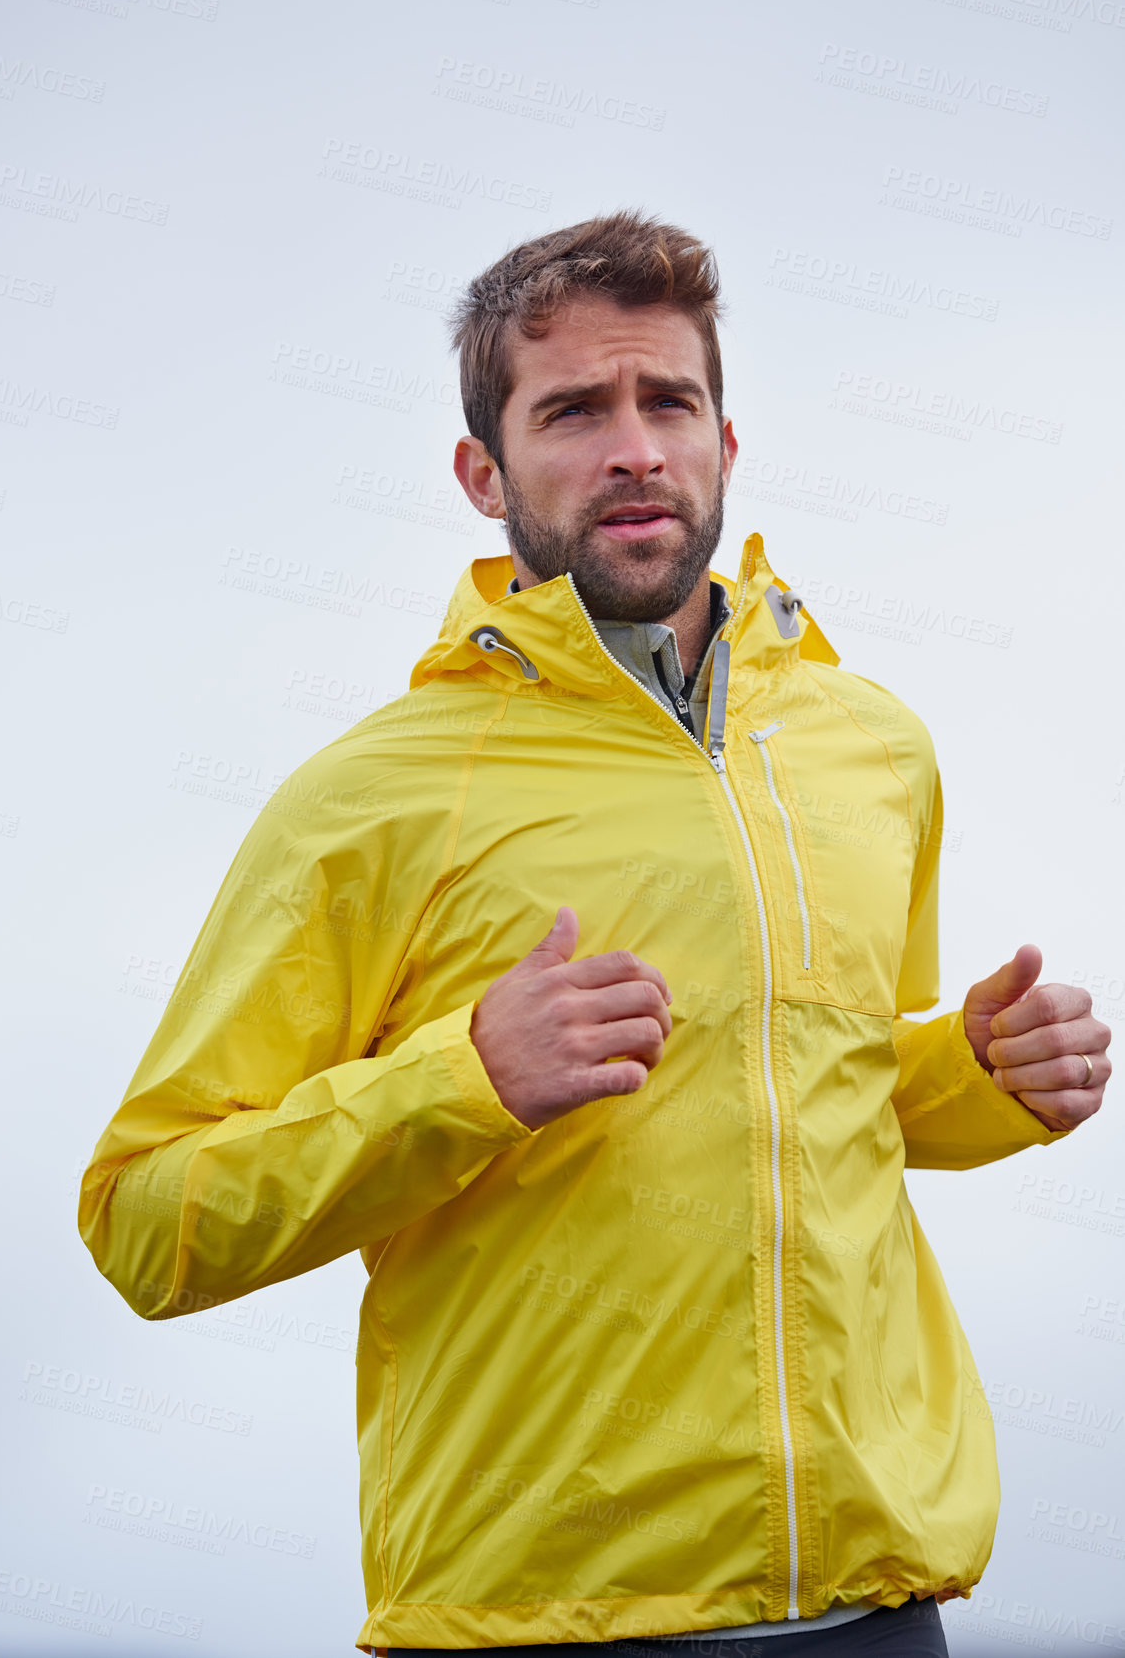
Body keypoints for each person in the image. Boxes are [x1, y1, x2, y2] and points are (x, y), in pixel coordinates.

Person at [79, 212, 1110, 1656]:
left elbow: (828, 1095)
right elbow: (145, 1221)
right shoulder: (370, 801)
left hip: (880, 1602)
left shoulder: (874, 745)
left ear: (727, 444)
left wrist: (977, 1077)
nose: (634, 448)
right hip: (535, 1623)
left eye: (668, 401)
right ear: (482, 472)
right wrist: (465, 1079)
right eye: (573, 410)